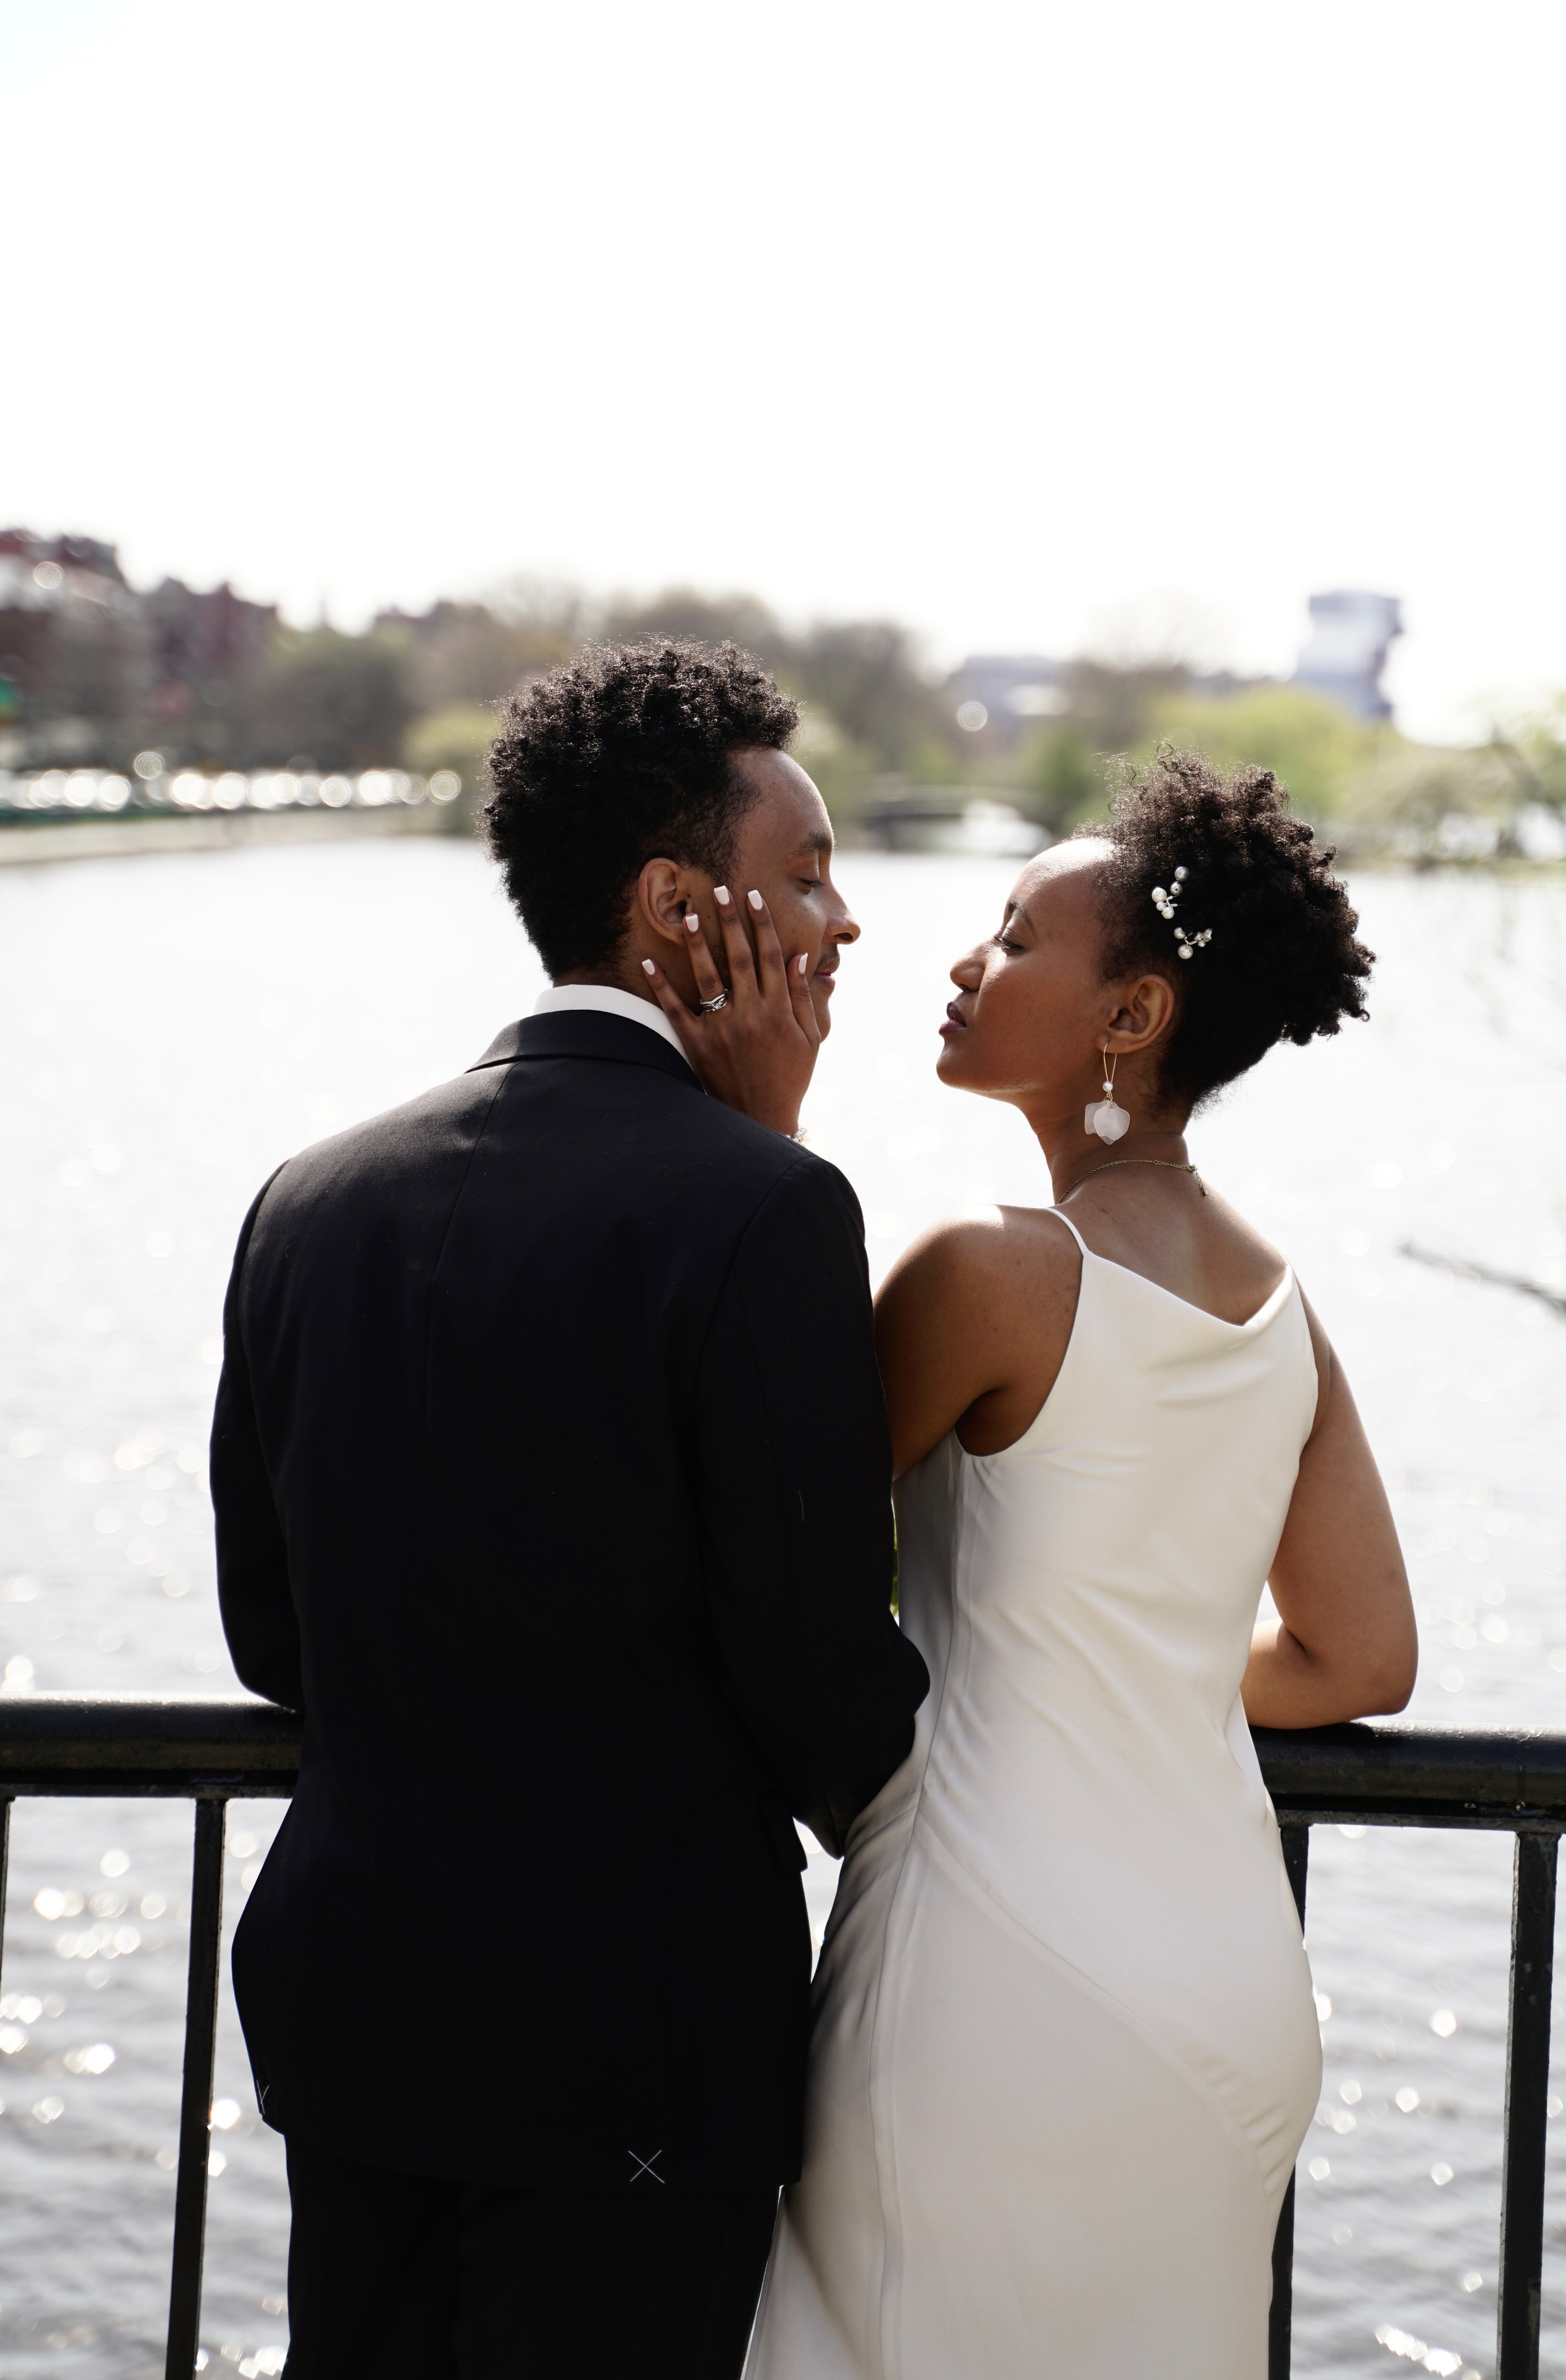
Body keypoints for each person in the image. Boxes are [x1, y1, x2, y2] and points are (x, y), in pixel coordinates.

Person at [210, 640, 929, 2379]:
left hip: (358, 2009)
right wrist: (770, 1154)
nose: (845, 922)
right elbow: (833, 1696)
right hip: (627, 2055)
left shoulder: (309, 1195)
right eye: (810, 874)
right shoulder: (762, 1214)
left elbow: (269, 1636)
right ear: (680, 904)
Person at [746, 750, 1418, 2379]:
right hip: (1230, 1984)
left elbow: (782, 1570)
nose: (966, 964)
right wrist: (1143, 1670)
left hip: (994, 1976)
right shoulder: (1281, 1309)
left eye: (1017, 937)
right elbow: (1357, 1662)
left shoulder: (987, 1272)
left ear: (1134, 1019)